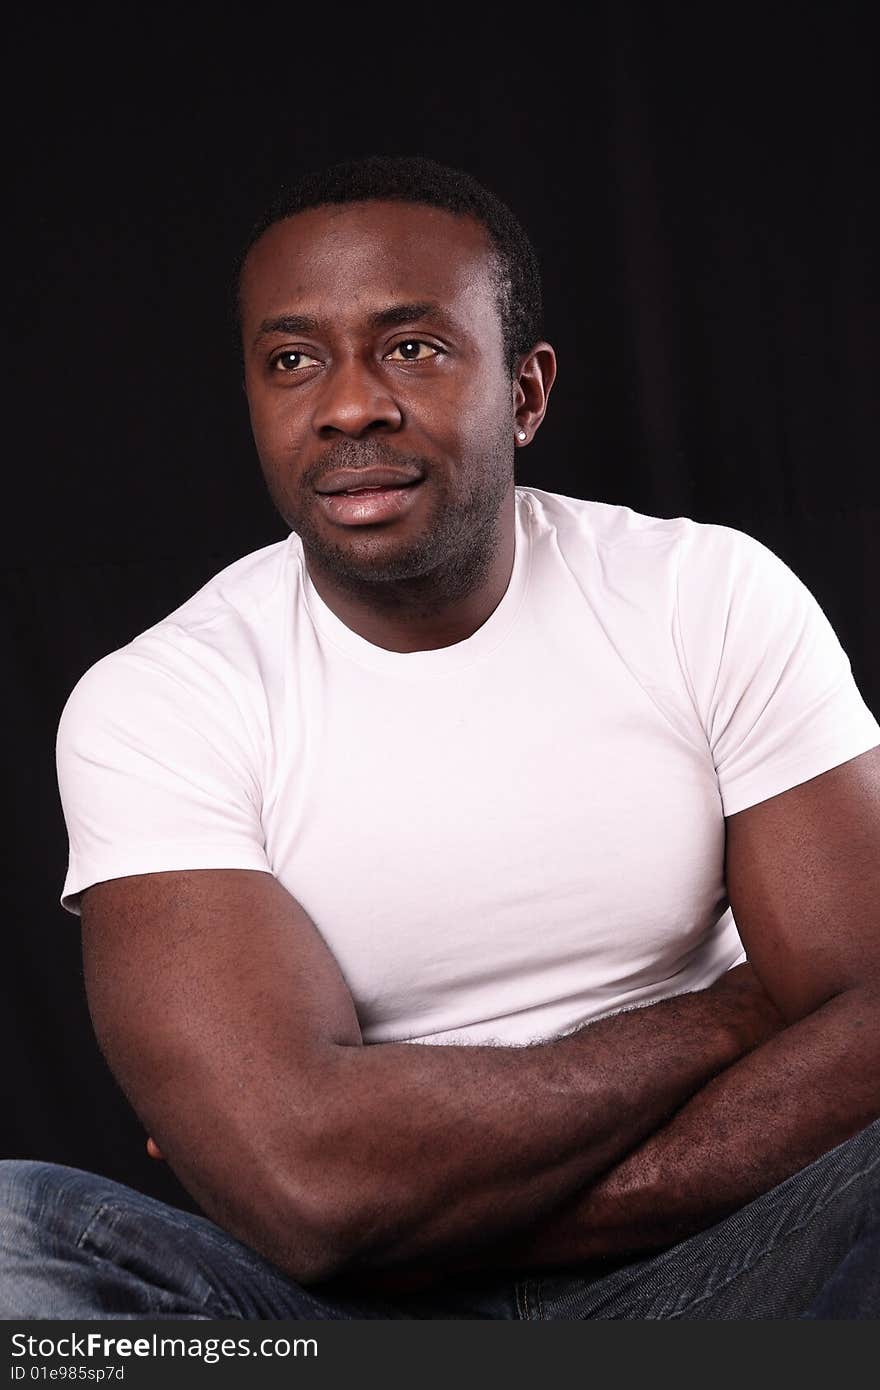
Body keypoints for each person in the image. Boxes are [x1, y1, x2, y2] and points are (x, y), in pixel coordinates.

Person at [2, 154, 878, 1321]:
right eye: (293, 360)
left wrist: (443, 1227)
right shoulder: (162, 698)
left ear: (525, 391)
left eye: (411, 348)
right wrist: (740, 1008)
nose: (349, 402)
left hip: (726, 1255)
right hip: (344, 1322)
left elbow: (868, 1023)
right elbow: (301, 1187)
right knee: (19, 1232)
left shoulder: (701, 595)